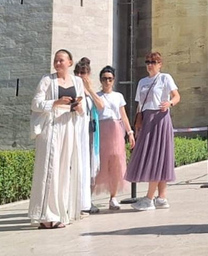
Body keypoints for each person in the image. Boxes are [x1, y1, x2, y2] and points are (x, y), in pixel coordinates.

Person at [29, 49, 86, 228]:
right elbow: (35, 104)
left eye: (61, 60)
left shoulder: (77, 81)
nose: (58, 63)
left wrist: (78, 108)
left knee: (63, 170)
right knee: (49, 169)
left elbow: (83, 107)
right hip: (51, 127)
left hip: (69, 126)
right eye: (56, 60)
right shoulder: (47, 80)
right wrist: (56, 102)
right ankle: (45, 216)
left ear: (70, 62)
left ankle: (61, 213)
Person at [125, 51, 181, 211]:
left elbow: (177, 96)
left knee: (157, 155)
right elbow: (139, 105)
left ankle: (149, 198)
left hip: (160, 118)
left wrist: (169, 103)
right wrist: (137, 124)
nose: (150, 65)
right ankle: (161, 197)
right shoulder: (142, 82)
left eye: (153, 62)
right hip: (146, 118)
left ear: (160, 64)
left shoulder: (165, 78)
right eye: (148, 62)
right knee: (155, 155)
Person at [93, 66, 134, 210]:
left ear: (114, 80)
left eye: (110, 79)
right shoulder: (96, 96)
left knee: (116, 164)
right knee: (98, 164)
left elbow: (123, 116)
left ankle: (113, 197)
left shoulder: (118, 96)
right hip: (101, 130)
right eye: (104, 79)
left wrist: (130, 132)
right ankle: (89, 198)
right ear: (100, 80)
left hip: (116, 130)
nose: (107, 81)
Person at [73, 57, 103, 216]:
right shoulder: (73, 88)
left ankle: (86, 200)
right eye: (77, 72)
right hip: (77, 132)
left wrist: (90, 90)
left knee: (88, 167)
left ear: (88, 74)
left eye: (83, 72)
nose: (80, 75)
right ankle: (74, 201)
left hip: (90, 134)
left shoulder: (90, 91)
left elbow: (101, 106)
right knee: (77, 166)